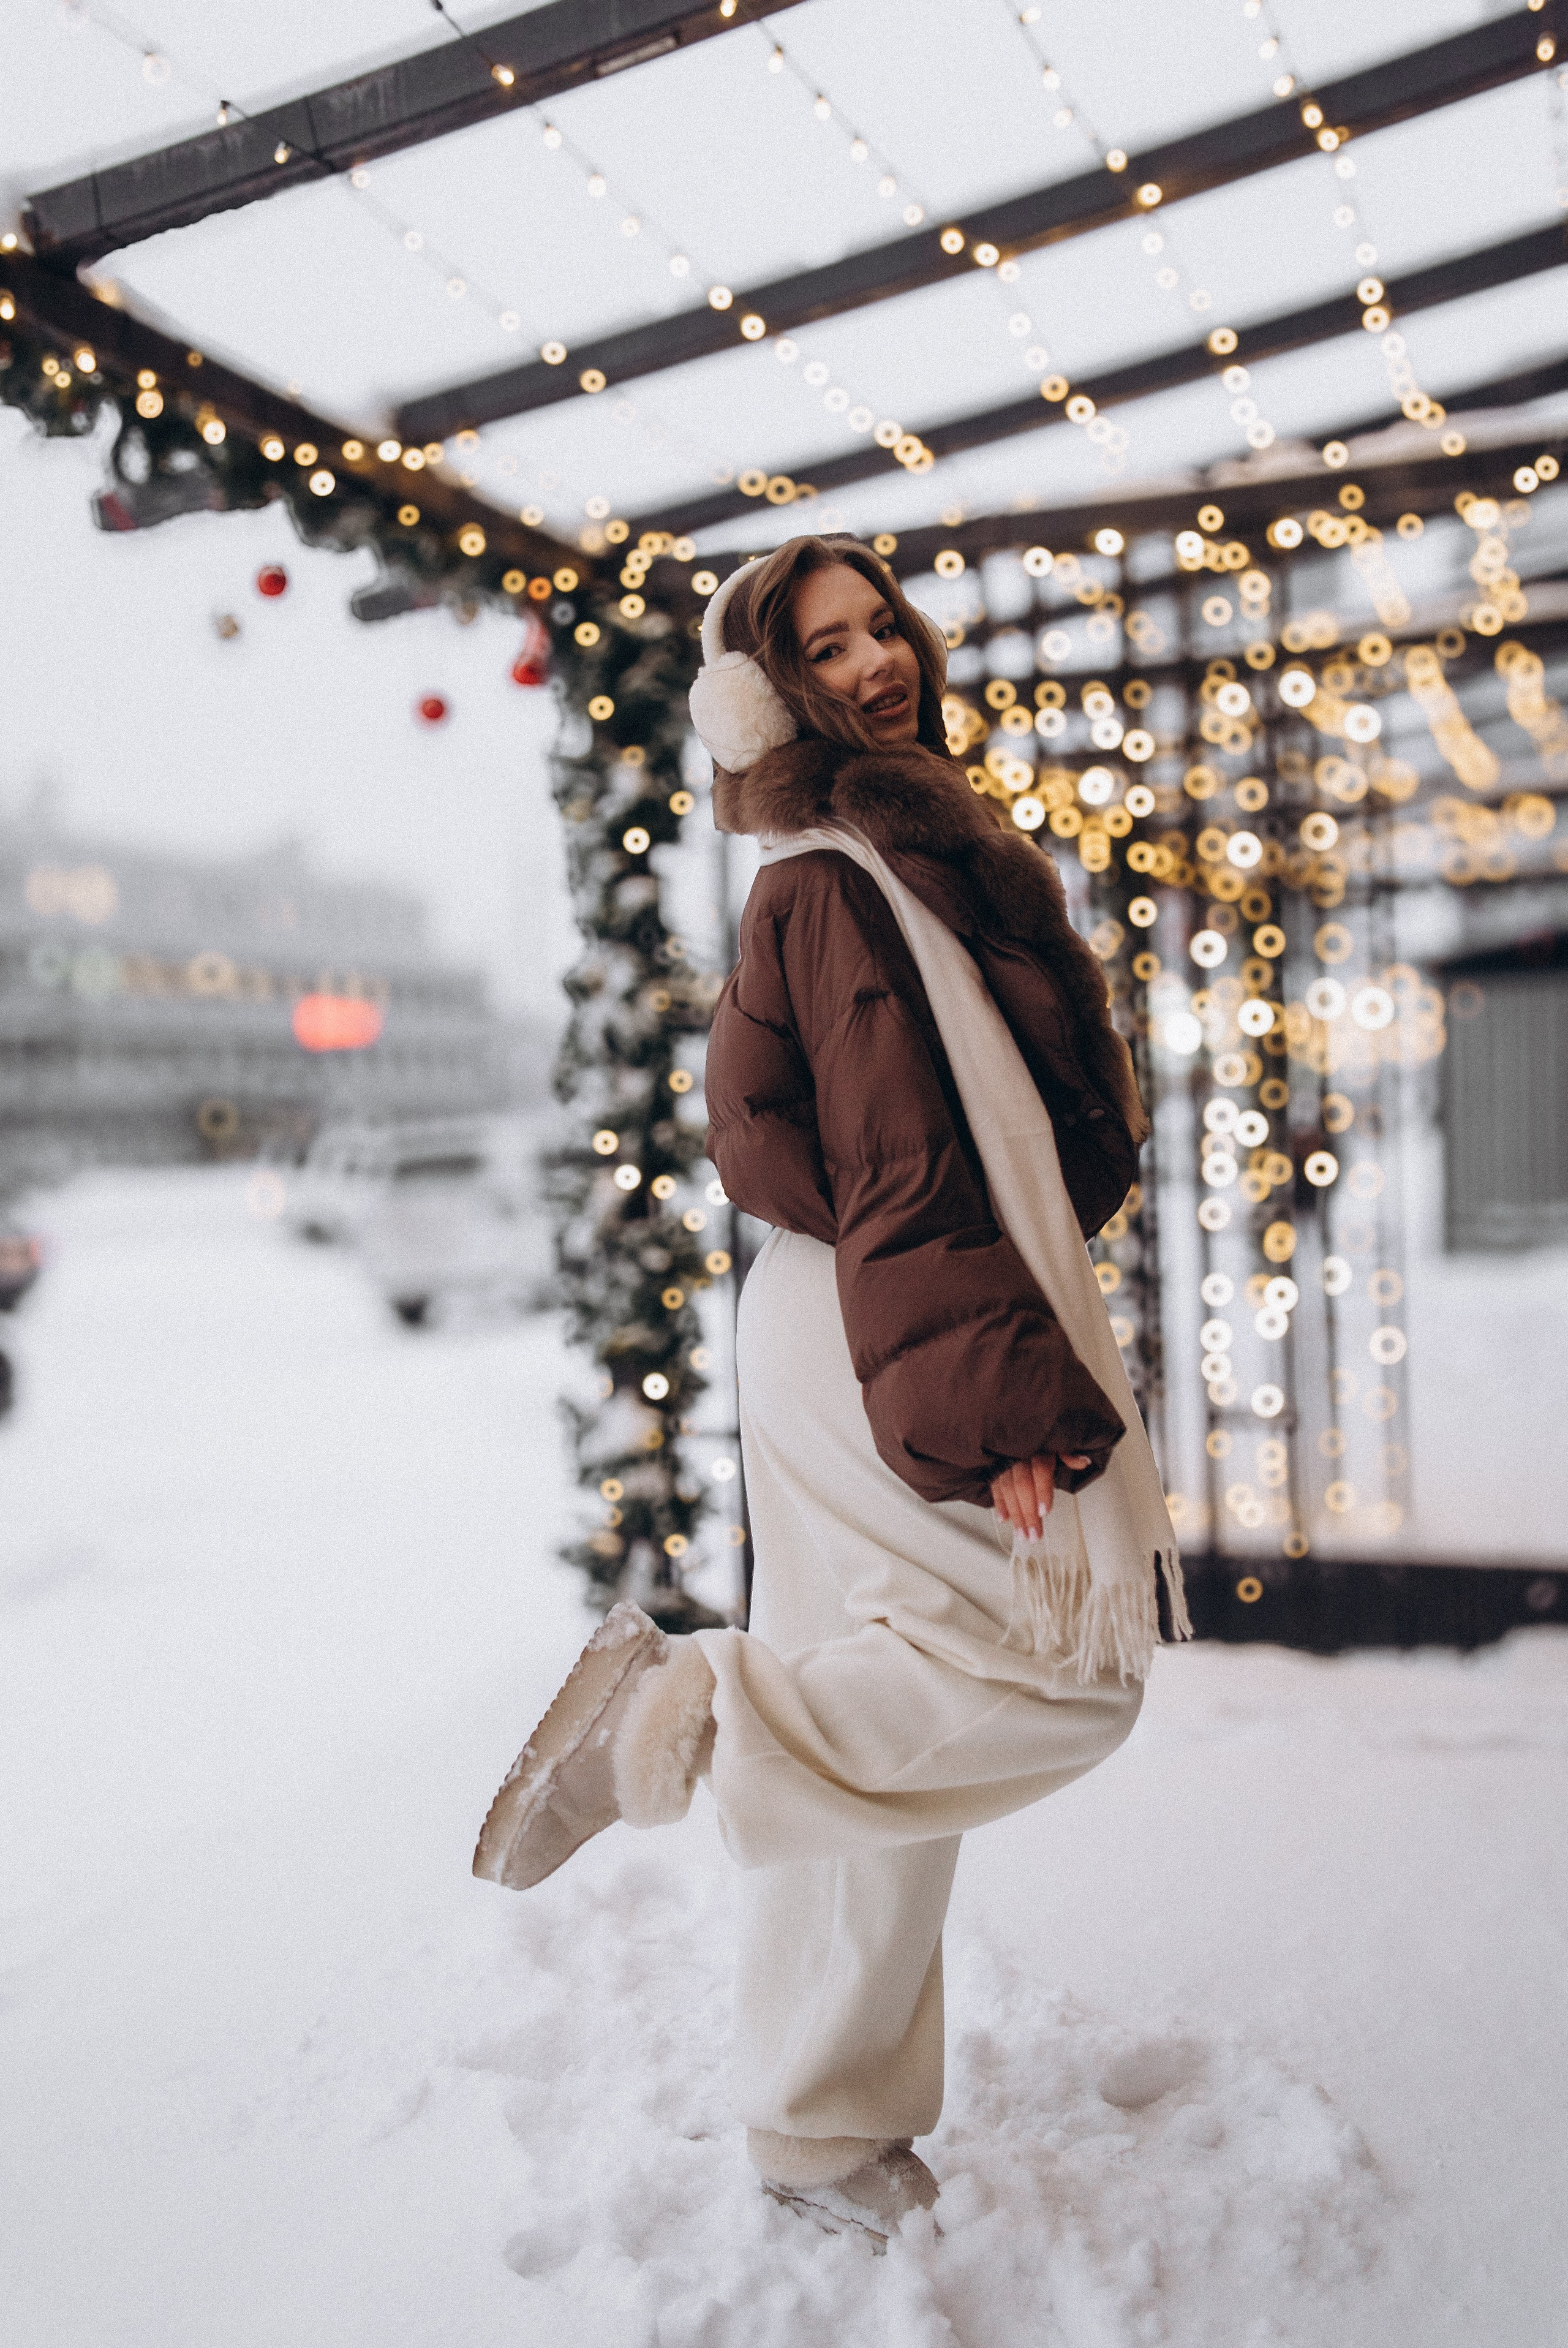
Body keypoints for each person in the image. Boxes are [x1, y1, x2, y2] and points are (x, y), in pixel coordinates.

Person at [473, 535, 1188, 2249]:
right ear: (767, 692)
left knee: (883, 1728)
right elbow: (898, 1165)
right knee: (1059, 1679)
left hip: (846, 1312)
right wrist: (1001, 1401)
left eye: (884, 629)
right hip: (891, 1315)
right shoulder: (835, 881)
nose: (876, 663)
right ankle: (694, 1703)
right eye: (829, 646)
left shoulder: (888, 854)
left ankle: (816, 2119)